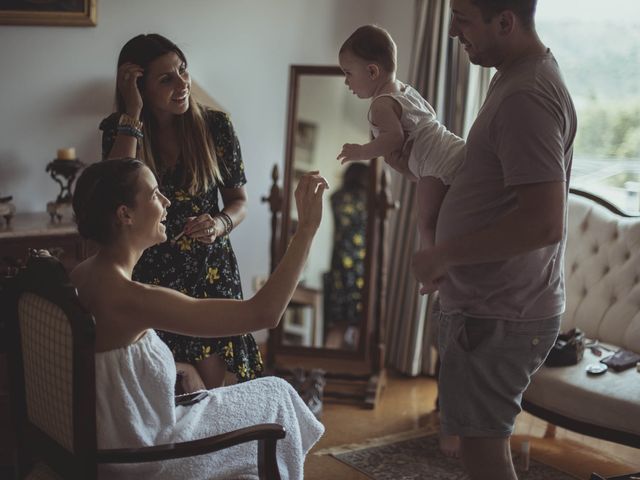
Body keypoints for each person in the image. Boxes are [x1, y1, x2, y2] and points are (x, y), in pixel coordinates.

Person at [70, 158, 327, 479]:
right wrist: (305, 231)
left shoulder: (83, 274)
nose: (167, 202)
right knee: (277, 397)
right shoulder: (130, 297)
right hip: (143, 456)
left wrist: (177, 367)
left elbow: (110, 363)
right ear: (125, 214)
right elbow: (264, 313)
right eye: (154, 194)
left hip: (111, 440)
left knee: (275, 393)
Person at [411, 1, 576, 479]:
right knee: (477, 445)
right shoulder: (515, 77)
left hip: (501, 311)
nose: (450, 31)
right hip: (490, 305)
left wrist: (444, 252)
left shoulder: (528, 94)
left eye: (462, 18)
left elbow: (545, 222)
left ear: (505, 21)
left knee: (483, 452)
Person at [100, 33, 257, 390]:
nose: (183, 84)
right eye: (166, 78)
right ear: (139, 87)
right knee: (167, 389)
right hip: (150, 276)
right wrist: (132, 112)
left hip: (210, 271)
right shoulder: (119, 129)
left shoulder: (216, 127)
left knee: (217, 390)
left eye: (183, 71)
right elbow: (112, 192)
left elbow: (240, 202)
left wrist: (219, 223)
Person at [336, 24, 465, 253]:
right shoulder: (405, 90)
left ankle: (432, 269)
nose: (346, 82)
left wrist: (362, 152)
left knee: (427, 222)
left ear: (373, 72)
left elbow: (394, 138)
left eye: (348, 73)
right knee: (454, 217)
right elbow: (430, 116)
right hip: (453, 147)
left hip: (435, 167)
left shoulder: (381, 104)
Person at [323, 163, 368, 349]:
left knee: (339, 323)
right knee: (361, 324)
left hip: (339, 266)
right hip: (361, 267)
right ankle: (358, 369)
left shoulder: (336, 198)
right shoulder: (367, 200)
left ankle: (324, 367)